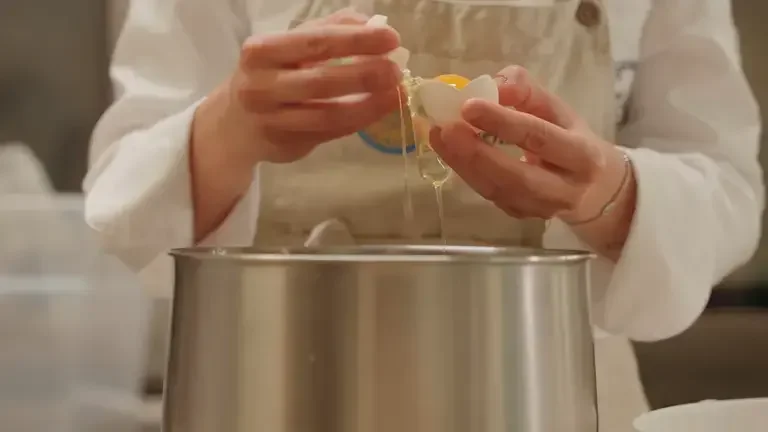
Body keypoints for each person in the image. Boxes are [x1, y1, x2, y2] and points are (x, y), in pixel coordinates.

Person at [84, 0, 763, 430]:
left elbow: (724, 180)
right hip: (276, 388)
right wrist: (225, 131)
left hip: (548, 395)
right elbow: (123, 200)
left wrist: (614, 195)